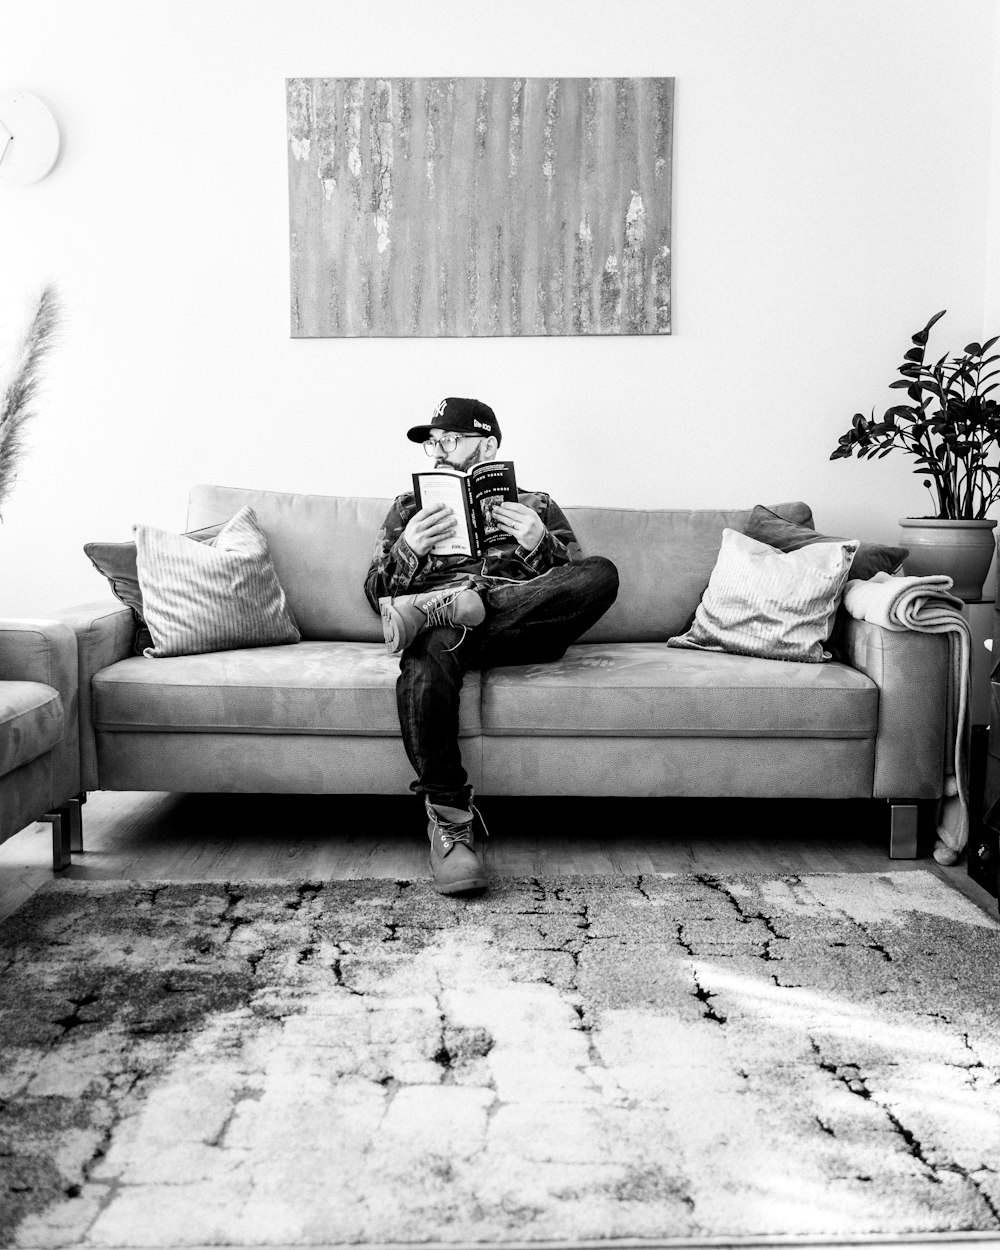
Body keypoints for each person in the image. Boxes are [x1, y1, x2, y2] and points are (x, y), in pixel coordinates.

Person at [364, 397, 619, 897]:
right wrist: (408, 549)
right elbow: (378, 596)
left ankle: (467, 602)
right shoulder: (407, 509)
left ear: (489, 444)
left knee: (603, 572)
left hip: (524, 630)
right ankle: (452, 829)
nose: (436, 449)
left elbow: (575, 585)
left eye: (450, 438)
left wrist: (539, 543)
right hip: (445, 637)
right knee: (426, 652)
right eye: (431, 441)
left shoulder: (537, 506)